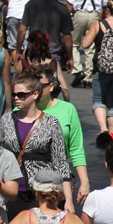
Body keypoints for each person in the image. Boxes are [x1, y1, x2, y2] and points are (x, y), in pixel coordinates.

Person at [0, 69, 71, 210]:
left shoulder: (51, 123)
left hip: (42, 190)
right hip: (12, 189)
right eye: (14, 95)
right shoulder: (6, 120)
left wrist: (68, 199)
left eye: (21, 95)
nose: (16, 98)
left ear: (35, 95)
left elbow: (60, 163)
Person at [35, 69, 91, 205]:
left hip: (60, 181)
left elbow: (76, 149)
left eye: (40, 86)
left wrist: (85, 182)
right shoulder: (19, 111)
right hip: (30, 182)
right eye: (32, 86)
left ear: (51, 86)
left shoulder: (68, 109)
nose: (36, 90)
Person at [82, 0, 113, 134]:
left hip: (100, 68)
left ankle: (103, 129)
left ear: (107, 10)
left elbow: (85, 44)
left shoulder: (98, 25)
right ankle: (112, 135)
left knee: (98, 100)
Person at [19, 0, 73, 75]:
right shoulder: (62, 8)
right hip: (53, 53)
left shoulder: (31, 5)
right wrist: (70, 57)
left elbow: (22, 29)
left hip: (34, 52)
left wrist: (18, 50)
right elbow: (67, 36)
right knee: (52, 83)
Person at [67, 0, 108, 87]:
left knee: (74, 43)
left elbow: (71, 0)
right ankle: (88, 76)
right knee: (91, 46)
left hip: (79, 13)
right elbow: (104, 2)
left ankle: (78, 69)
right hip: (94, 15)